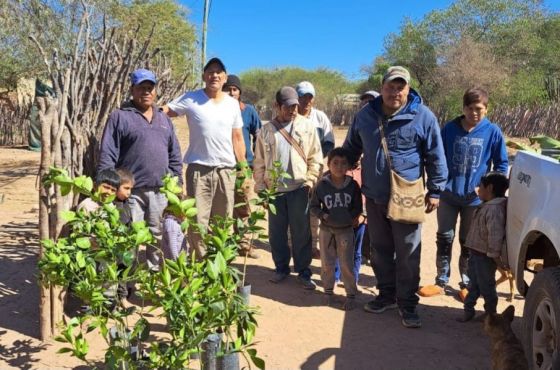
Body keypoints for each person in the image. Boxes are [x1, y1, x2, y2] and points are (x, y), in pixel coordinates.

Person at [343, 66, 448, 328]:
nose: (395, 92)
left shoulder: (423, 117)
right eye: (391, 86)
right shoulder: (365, 116)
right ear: (382, 87)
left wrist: (435, 190)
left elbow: (436, 155)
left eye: (401, 87)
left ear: (408, 89)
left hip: (407, 197)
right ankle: (386, 295)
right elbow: (351, 148)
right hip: (375, 196)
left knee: (408, 252)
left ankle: (408, 303)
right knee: (379, 251)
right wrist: (338, 172)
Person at [419, 88, 509, 301]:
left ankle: (466, 281)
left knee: (469, 241)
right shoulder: (449, 129)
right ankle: (441, 280)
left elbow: (502, 163)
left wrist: (491, 189)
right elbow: (435, 158)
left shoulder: (492, 131)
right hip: (448, 194)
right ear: (463, 108)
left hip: (476, 198)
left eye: (479, 108)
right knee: (444, 237)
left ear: (486, 109)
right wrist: (435, 189)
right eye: (470, 108)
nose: (474, 113)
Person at [98, 68, 183, 272]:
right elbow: (108, 153)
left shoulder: (164, 120)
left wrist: (177, 183)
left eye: (150, 87)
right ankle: (126, 286)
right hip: (131, 193)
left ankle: (154, 278)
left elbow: (175, 154)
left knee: (157, 236)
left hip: (160, 192)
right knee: (129, 239)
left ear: (155, 91)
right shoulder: (120, 117)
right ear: (132, 90)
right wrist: (110, 187)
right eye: (141, 87)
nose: (146, 91)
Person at [165, 58, 246, 258]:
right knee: (197, 222)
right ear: (203, 76)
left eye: (219, 72)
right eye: (210, 72)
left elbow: (237, 138)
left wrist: (243, 167)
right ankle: (201, 265)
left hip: (225, 172)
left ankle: (218, 267)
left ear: (225, 78)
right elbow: (166, 112)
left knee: (222, 222)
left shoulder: (232, 104)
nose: (214, 76)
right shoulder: (191, 98)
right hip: (198, 170)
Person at [253, 86, 322, 290]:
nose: (293, 110)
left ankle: (303, 271)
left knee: (301, 232)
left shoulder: (307, 126)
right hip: (274, 190)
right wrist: (260, 187)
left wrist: (310, 180)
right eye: (288, 106)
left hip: (300, 188)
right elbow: (259, 162)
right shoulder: (266, 130)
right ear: (277, 106)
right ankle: (281, 268)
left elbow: (315, 157)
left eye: (295, 106)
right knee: (277, 232)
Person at [310, 147, 362, 310]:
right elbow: (313, 206)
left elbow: (357, 207)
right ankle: (328, 292)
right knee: (327, 262)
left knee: (346, 263)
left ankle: (351, 295)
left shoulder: (352, 186)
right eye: (335, 163)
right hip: (326, 230)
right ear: (328, 164)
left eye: (343, 163)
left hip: (345, 230)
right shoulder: (322, 185)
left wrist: (349, 217)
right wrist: (323, 215)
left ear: (349, 166)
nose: (339, 167)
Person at [457, 172, 508, 322]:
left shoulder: (494, 210)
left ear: (490, 188)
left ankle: (490, 314)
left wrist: (494, 256)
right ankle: (469, 311)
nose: (478, 189)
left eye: (481, 186)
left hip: (485, 256)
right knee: (473, 284)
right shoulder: (488, 206)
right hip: (476, 253)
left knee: (486, 286)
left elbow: (495, 234)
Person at [223, 74, 262, 258]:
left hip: (243, 167)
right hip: (222, 166)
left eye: (234, 89)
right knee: (224, 207)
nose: (231, 92)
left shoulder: (249, 111)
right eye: (227, 89)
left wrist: (254, 162)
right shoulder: (217, 110)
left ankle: (245, 244)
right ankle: (226, 245)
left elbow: (258, 137)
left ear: (240, 92)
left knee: (244, 207)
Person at [296, 81, 335, 258]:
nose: (306, 100)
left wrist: (316, 160)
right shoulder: (289, 115)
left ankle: (313, 244)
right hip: (293, 171)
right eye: (302, 96)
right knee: (294, 205)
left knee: (313, 206)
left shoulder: (320, 118)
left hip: (314, 170)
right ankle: (292, 243)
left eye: (309, 97)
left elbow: (329, 142)